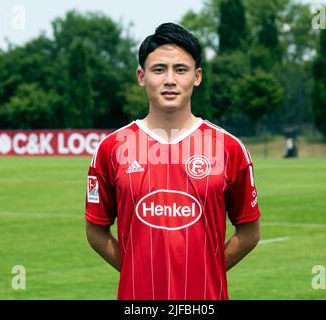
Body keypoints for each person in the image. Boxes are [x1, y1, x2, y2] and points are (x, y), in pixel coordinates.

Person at [85, 22, 261, 300]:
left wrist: (206, 271)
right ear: (141, 77)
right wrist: (136, 271)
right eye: (159, 69)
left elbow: (249, 232)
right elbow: (95, 230)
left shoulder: (229, 148)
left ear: (197, 76)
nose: (170, 79)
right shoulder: (111, 148)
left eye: (180, 69)